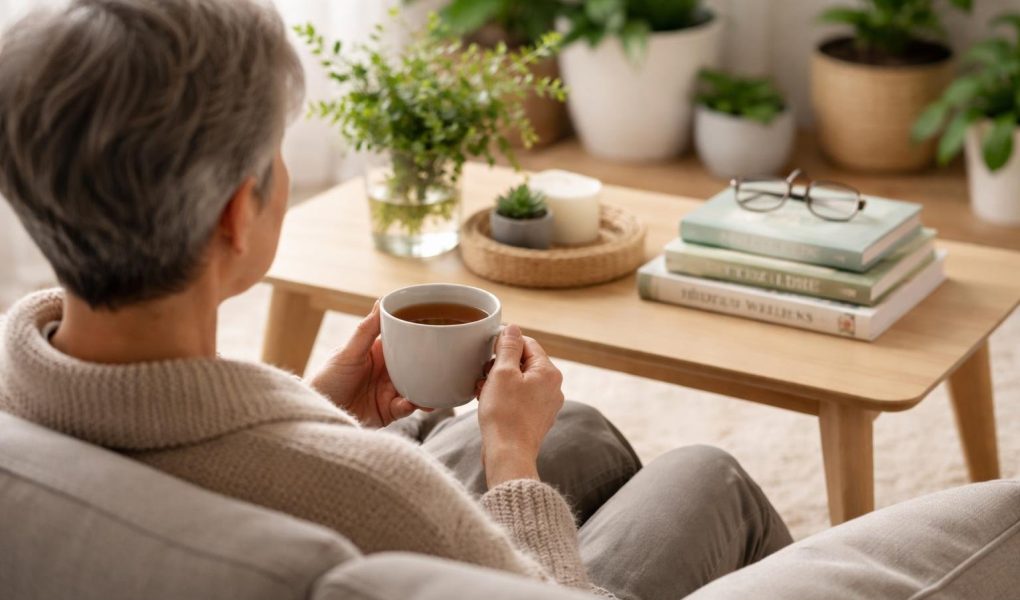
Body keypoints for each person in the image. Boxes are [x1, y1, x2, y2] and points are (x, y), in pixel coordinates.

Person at [0, 1, 792, 598]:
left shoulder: (17, 406)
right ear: (238, 215)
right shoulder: (374, 492)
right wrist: (510, 460)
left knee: (575, 436)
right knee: (704, 474)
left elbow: (196, 458)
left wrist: (318, 414)